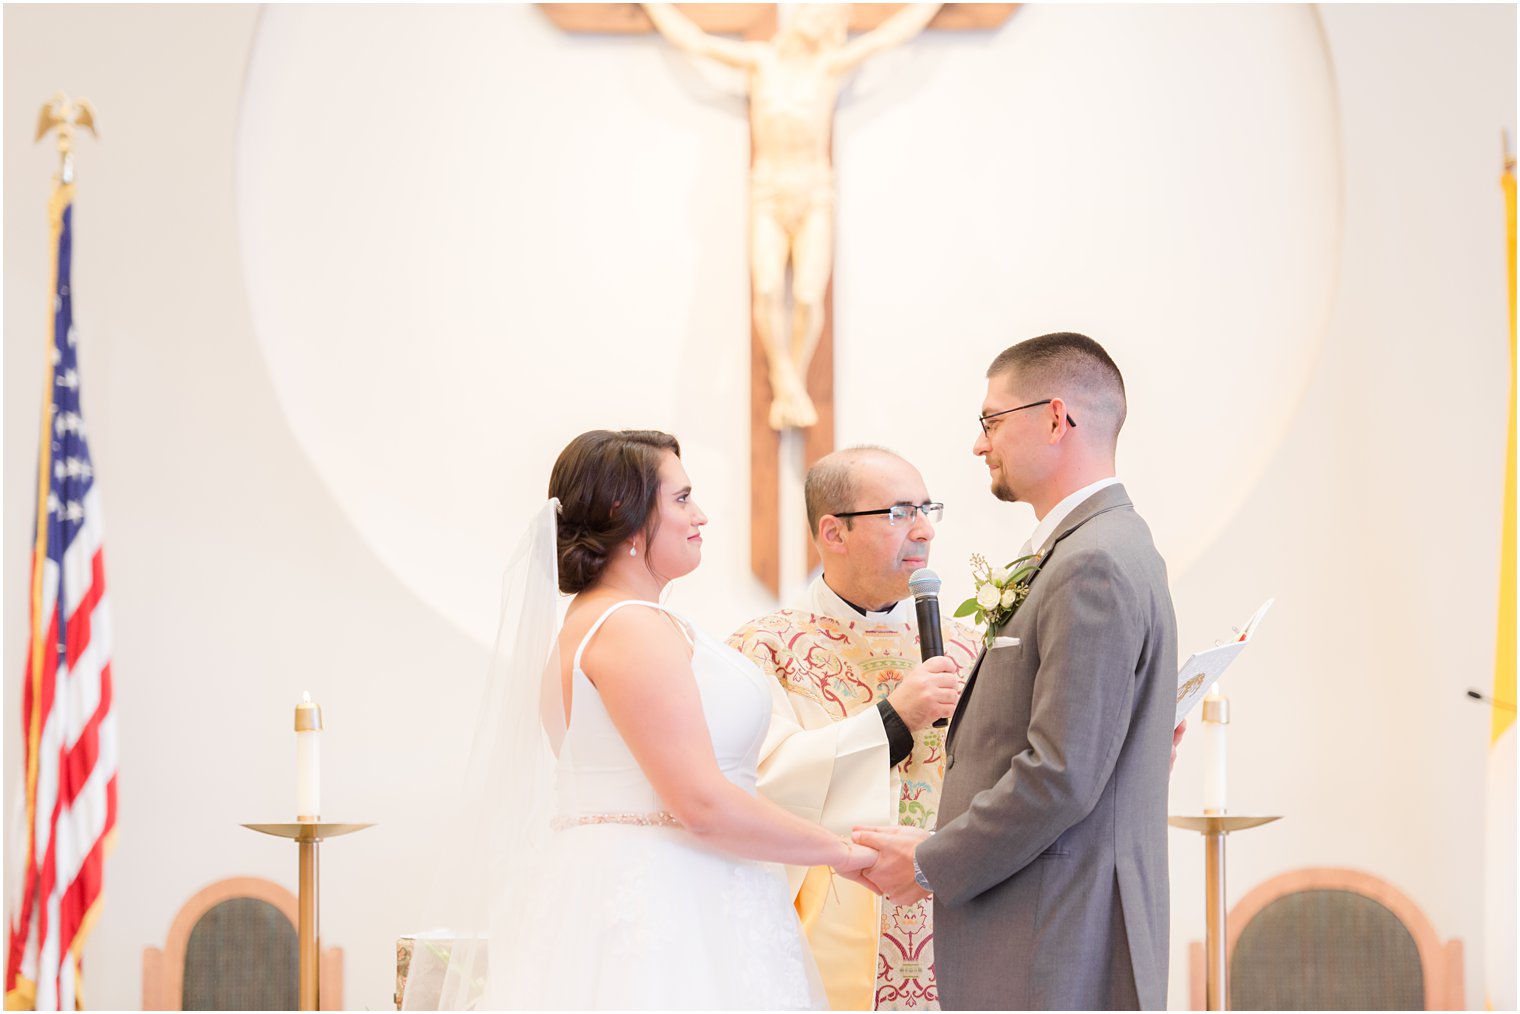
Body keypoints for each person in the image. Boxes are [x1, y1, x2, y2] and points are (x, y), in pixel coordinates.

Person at [409, 428, 905, 1011]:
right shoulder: (629, 628)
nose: (700, 515)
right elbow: (700, 802)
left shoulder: (615, 620)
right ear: (625, 511)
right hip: (666, 899)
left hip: (668, 885)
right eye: (681, 499)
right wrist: (841, 852)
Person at [853, 334, 1180, 1010]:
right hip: (1050, 924)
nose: (980, 444)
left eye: (992, 422)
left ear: (1056, 418)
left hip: (1051, 936)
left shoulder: (1092, 561)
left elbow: (1059, 773)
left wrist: (929, 862)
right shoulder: (1099, 546)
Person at [728, 447, 976, 1011]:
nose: (923, 530)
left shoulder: (971, 646)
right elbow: (761, 783)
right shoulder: (764, 649)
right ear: (833, 533)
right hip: (830, 922)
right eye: (899, 513)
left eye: (927, 509)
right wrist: (894, 719)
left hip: (958, 917)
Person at [642, 3, 941, 430]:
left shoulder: (829, 67)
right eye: (811, 14)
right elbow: (694, 43)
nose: (813, 20)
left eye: (823, 18)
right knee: (764, 288)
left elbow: (889, 38)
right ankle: (787, 385)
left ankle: (790, 382)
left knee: (805, 296)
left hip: (814, 192)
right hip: (768, 190)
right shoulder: (761, 61)